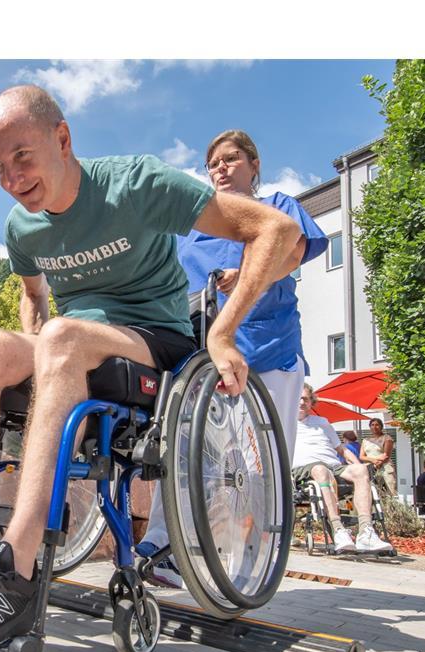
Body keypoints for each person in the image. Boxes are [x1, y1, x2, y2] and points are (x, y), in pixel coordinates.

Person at [0, 85, 303, 649]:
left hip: (156, 347)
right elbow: (33, 299)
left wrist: (224, 331)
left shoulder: (135, 184)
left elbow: (276, 230)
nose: (11, 178)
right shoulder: (22, 227)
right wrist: (31, 364)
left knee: (61, 335)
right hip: (72, 346)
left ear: (62, 138)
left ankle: (18, 571)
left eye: (22, 157)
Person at [136, 129, 327, 585]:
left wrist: (247, 274)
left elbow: (293, 250)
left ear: (253, 165)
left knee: (263, 467)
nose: (221, 168)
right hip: (202, 355)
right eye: (213, 163)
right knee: (181, 450)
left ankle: (254, 566)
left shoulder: (278, 206)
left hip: (266, 349)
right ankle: (165, 545)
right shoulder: (193, 230)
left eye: (231, 159)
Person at [293, 384, 394, 554]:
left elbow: (342, 450)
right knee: (320, 470)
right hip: (305, 469)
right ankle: (338, 529)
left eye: (306, 398)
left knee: (361, 471)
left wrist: (357, 464)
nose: (302, 401)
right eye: (298, 397)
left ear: (311, 402)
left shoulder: (322, 423)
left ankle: (366, 532)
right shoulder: (284, 423)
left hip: (334, 467)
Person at [361, 418, 397, 497]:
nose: (374, 427)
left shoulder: (387, 438)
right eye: (372, 425)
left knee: (390, 493)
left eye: (377, 425)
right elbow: (362, 456)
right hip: (370, 469)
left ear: (381, 426)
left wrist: (378, 462)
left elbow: (386, 455)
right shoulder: (366, 440)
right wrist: (373, 461)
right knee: (373, 493)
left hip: (385, 468)